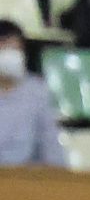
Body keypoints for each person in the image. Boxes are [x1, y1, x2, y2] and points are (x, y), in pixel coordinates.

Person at [0, 23, 65, 169]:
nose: (7, 55)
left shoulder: (38, 91)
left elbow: (51, 143)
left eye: (13, 49)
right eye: (2, 49)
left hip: (26, 176)